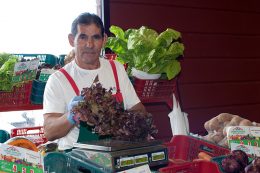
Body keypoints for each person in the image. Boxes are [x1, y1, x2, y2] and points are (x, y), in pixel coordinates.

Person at [43, 12, 147, 150]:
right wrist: (71, 116)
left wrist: (126, 122)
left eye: (96, 37)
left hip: (116, 153)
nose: (89, 44)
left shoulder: (116, 69)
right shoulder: (58, 80)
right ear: (71, 39)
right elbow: (49, 132)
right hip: (77, 159)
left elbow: (139, 110)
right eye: (83, 37)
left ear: (104, 40)